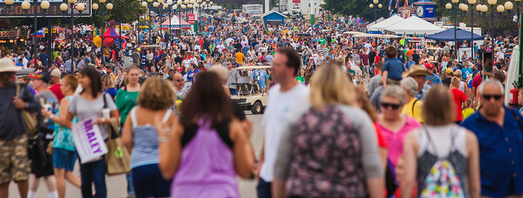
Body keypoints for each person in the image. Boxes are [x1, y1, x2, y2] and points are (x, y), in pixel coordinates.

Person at [272, 63, 384, 198]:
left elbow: (281, 166)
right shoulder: (358, 119)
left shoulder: (297, 118)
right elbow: (372, 167)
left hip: (303, 191)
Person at [158, 71, 255, 198]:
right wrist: (246, 138)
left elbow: (167, 170)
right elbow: (245, 171)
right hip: (222, 191)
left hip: (185, 191)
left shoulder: (181, 126)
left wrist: (164, 137)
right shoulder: (232, 126)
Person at [400, 85, 480, 198]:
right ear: (451, 107)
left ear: (426, 108)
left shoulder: (414, 138)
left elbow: (408, 181)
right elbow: (474, 185)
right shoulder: (468, 138)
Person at [0, 58, 39, 198]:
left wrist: (24, 105)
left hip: (19, 138)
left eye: (12, 73)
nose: (11, 76)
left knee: (22, 176)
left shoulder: (21, 89)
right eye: (7, 73)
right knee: (2, 179)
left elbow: (36, 106)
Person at [257, 47, 308, 198]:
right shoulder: (273, 93)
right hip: (267, 175)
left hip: (293, 177)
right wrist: (261, 164)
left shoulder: (305, 97)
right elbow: (269, 131)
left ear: (290, 69)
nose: (271, 67)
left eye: (277, 65)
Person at [462, 79, 523, 197]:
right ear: (480, 97)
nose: (492, 101)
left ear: (502, 97)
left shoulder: (515, 117)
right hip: (487, 193)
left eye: (496, 97)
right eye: (487, 97)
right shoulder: (470, 125)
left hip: (517, 191)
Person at [66, 67, 119, 198]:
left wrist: (101, 120)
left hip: (100, 142)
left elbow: (116, 119)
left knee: (98, 178)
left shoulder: (105, 97)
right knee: (85, 181)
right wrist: (76, 131)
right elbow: (67, 119)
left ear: (91, 79)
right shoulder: (77, 99)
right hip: (83, 143)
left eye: (82, 77)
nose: (80, 80)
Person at [121, 76, 176, 198]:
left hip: (139, 164)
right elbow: (176, 142)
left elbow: (125, 140)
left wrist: (139, 145)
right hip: (162, 163)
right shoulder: (169, 116)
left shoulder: (134, 113)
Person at [41, 74, 81, 198]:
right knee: (68, 173)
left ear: (69, 87)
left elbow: (64, 120)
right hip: (74, 139)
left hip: (62, 139)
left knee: (59, 174)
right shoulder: (78, 100)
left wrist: (49, 116)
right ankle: (90, 191)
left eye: (63, 85)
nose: (61, 87)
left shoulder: (65, 100)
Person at [376, 85, 420, 185]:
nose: (389, 109)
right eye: (385, 105)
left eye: (394, 106)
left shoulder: (413, 125)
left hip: (408, 181)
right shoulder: (373, 124)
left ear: (401, 105)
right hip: (381, 181)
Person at [26, 71, 59, 198]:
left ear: (40, 82)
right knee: (37, 171)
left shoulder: (38, 98)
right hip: (50, 134)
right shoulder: (52, 95)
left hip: (41, 136)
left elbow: (33, 116)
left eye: (34, 80)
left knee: (46, 171)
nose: (32, 82)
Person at [115, 64, 141, 198]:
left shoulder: (143, 90)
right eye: (132, 74)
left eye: (136, 74)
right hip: (126, 127)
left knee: (140, 159)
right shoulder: (122, 92)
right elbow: (117, 110)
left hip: (141, 128)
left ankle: (139, 189)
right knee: (129, 161)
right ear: (127, 75)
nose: (134, 77)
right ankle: (131, 191)